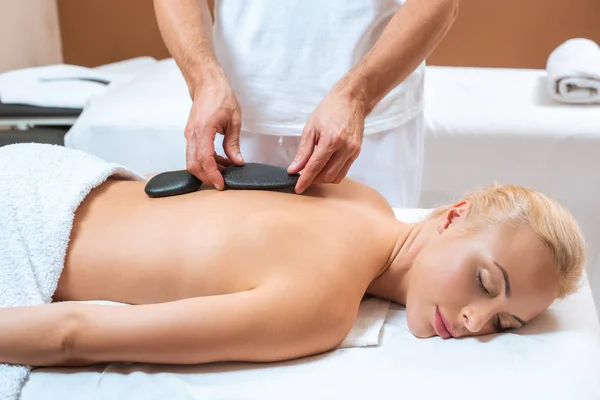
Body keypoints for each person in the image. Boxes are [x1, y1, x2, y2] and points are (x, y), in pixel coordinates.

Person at [0, 144, 585, 368]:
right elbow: (73, 334)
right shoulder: (319, 308)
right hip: (22, 230)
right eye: (486, 283)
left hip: (46, 168)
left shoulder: (361, 195)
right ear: (453, 215)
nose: (475, 322)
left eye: (506, 323)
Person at [153, 0, 460, 206]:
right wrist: (203, 79)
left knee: (370, 284)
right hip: (233, 120)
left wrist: (358, 95)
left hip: (369, 125)